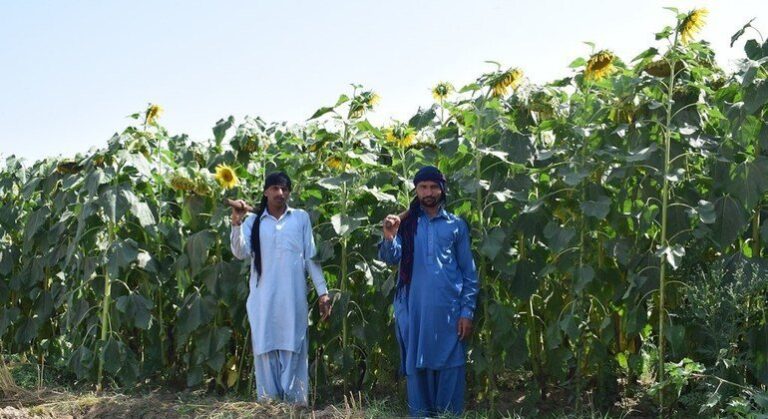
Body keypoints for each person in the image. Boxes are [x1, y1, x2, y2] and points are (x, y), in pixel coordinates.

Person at [378, 165, 479, 417]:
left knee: (450, 367)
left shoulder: (456, 225)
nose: (429, 192)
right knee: (417, 367)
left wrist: (467, 311)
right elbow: (391, 258)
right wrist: (390, 236)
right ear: (416, 190)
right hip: (415, 312)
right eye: (423, 187)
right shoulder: (407, 224)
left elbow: (468, 272)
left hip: (450, 314)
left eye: (434, 187)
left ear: (442, 190)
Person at [229, 171, 331, 405]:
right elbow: (240, 252)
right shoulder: (253, 221)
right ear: (266, 192)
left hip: (293, 299)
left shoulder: (300, 219)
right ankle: (269, 406)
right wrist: (236, 223)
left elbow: (310, 257)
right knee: (265, 350)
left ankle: (295, 407)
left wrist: (323, 293)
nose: (280, 193)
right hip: (262, 300)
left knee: (294, 347)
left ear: (289, 193)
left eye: (284, 189)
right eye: (275, 188)